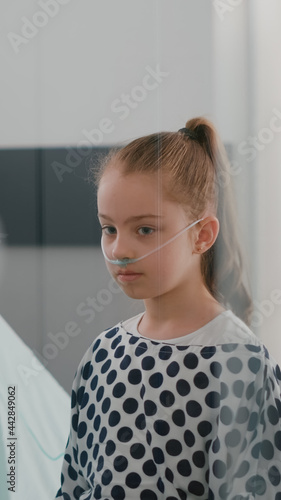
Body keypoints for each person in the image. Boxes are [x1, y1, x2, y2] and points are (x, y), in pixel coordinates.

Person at [55, 117, 281, 499]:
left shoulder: (240, 363)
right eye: (109, 228)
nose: (119, 250)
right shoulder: (102, 354)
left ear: (202, 235)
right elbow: (74, 486)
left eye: (145, 229)